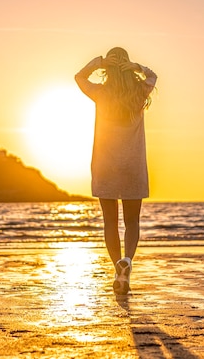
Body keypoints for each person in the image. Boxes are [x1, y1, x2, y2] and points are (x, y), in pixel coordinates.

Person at [75, 47, 157, 295]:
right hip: (132, 165)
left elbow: (79, 77)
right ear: (127, 66)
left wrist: (98, 62)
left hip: (106, 165)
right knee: (132, 221)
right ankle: (128, 262)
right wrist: (137, 68)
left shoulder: (100, 93)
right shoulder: (139, 92)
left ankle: (117, 268)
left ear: (108, 68)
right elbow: (153, 76)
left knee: (110, 221)